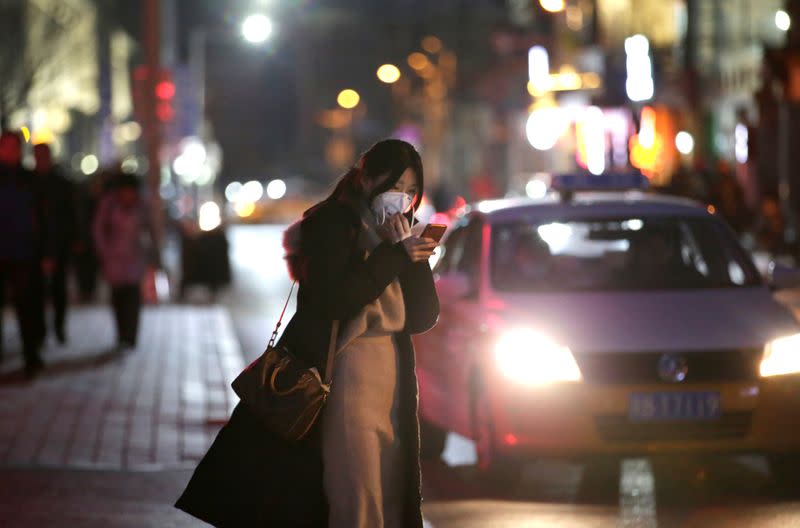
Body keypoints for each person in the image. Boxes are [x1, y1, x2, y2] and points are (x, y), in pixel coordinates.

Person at [176, 139, 440, 527]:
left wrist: (413, 259)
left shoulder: (405, 234)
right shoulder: (333, 224)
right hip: (346, 371)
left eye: (410, 191)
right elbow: (335, 301)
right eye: (394, 187)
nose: (401, 199)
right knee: (356, 485)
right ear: (367, 179)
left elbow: (422, 317)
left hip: (394, 376)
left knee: (389, 484)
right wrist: (392, 254)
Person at [0, 131, 48, 377]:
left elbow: (42, 218)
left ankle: (31, 354)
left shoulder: (30, 180)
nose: (9, 151)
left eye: (12, 147)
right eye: (4, 147)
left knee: (27, 306)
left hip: (24, 252)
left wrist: (45, 251)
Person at [92, 172, 158, 350]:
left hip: (135, 258)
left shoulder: (142, 207)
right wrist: (104, 251)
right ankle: (121, 334)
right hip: (114, 259)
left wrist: (153, 254)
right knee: (118, 297)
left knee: (133, 297)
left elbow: (151, 231)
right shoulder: (109, 205)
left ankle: (131, 335)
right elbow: (98, 229)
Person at [33, 143, 75, 343]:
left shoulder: (61, 184)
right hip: (34, 246)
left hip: (58, 244)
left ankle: (59, 328)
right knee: (37, 292)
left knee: (58, 290)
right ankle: (40, 331)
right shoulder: (29, 182)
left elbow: (70, 215)